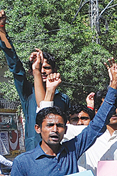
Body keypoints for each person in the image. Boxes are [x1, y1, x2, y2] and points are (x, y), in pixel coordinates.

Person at [0, 11, 70, 152]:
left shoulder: (63, 99)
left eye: (47, 68)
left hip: (58, 153)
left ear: (54, 70)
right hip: (34, 152)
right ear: (32, 71)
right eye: (39, 68)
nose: (43, 71)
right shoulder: (27, 92)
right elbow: (15, 67)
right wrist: (2, 31)